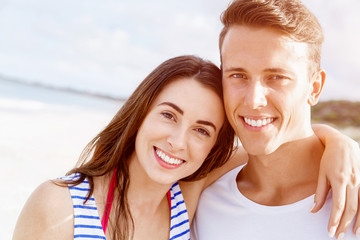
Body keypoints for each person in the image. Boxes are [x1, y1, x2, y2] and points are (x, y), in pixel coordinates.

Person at [12, 44, 358, 240]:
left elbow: (273, 150)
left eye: (201, 130)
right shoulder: (59, 205)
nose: (178, 142)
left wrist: (338, 143)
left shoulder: (185, 199)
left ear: (213, 148)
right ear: (140, 113)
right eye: (168, 115)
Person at [191, 0, 360, 239]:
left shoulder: (354, 195)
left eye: (277, 77)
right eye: (238, 75)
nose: (253, 100)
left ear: (314, 87)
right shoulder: (204, 203)